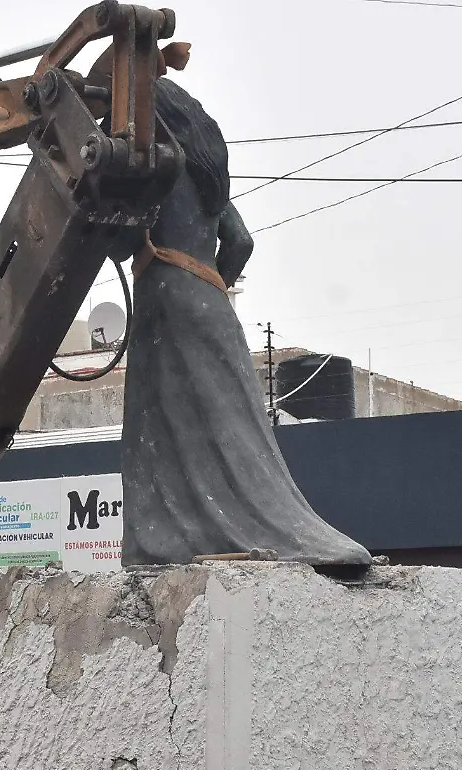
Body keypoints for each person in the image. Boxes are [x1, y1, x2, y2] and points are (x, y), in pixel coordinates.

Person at [113, 79, 372, 569]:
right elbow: (241, 242)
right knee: (233, 425)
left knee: (160, 426)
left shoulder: (153, 168)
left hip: (165, 301)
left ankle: (160, 540)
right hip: (211, 299)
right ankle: (284, 528)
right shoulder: (206, 181)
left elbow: (117, 242)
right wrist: (211, 284)